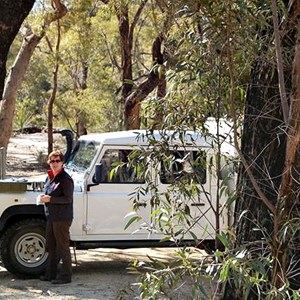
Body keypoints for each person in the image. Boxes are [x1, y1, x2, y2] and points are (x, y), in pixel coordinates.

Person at [39, 150, 74, 284]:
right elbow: (48, 193)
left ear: (62, 162)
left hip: (62, 218)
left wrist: (51, 199)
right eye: (52, 161)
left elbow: (68, 199)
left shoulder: (65, 179)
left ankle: (66, 276)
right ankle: (50, 274)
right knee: (51, 246)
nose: (54, 163)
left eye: (57, 161)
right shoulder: (49, 177)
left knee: (62, 247)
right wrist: (44, 197)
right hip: (52, 217)